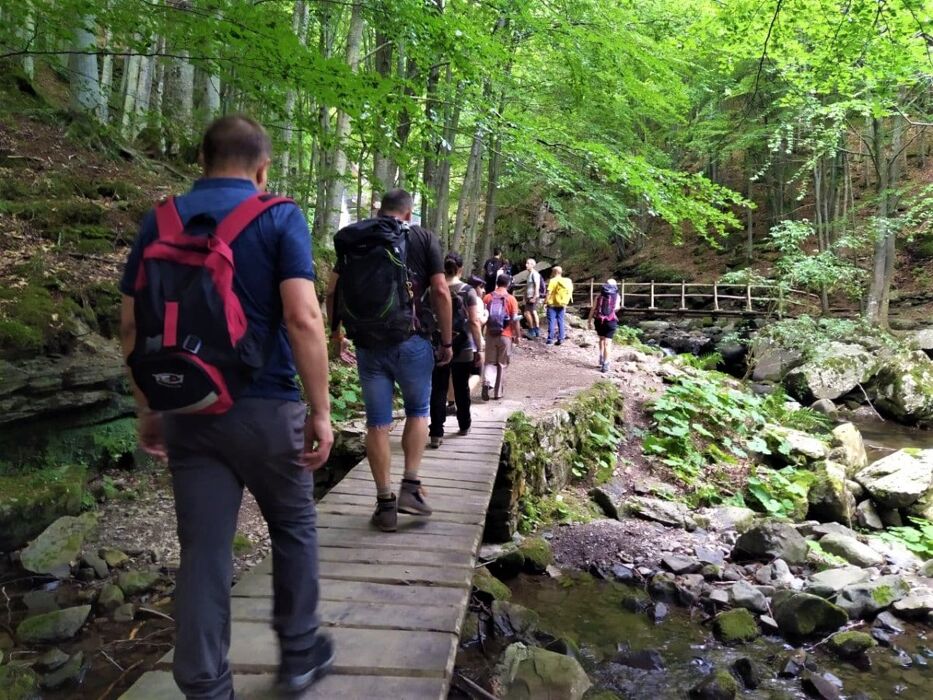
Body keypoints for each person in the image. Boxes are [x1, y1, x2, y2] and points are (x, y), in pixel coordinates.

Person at [118, 115, 335, 698]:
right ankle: (298, 653)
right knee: (292, 524)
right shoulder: (279, 216)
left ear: (202, 160)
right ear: (262, 168)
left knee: (205, 552)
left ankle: (206, 684)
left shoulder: (160, 219)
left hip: (188, 407)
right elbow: (303, 317)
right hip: (266, 407)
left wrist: (149, 407)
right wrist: (321, 409)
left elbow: (132, 325)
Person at [326, 189, 453, 533]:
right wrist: (446, 340)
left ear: (381, 210)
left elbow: (332, 289)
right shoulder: (423, 237)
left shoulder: (358, 237)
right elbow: (441, 290)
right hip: (412, 340)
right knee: (417, 412)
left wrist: (336, 332)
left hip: (367, 344)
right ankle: (410, 485)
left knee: (377, 423)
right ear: (408, 213)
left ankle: (385, 505)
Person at [429, 252, 483, 447]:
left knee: (438, 389)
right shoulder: (468, 291)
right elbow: (475, 321)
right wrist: (480, 349)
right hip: (463, 345)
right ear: (460, 269)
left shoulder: (432, 289)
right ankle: (464, 424)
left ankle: (436, 432)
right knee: (461, 388)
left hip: (438, 345)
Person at [482, 272, 521, 401]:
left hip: (490, 335)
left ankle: (487, 383)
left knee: (489, 362)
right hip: (506, 335)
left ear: (497, 283)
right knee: (502, 364)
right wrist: (517, 335)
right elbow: (515, 319)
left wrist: (482, 333)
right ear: (508, 284)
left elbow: (483, 317)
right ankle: (498, 393)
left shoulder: (487, 298)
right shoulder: (511, 299)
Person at [588, 278, 622, 373]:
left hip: (599, 321)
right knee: (608, 342)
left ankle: (601, 357)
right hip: (610, 321)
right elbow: (616, 308)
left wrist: (589, 321)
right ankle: (606, 364)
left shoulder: (598, 296)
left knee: (601, 339)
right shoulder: (617, 296)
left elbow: (593, 309)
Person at [545, 266, 574, 345]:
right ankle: (561, 338)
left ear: (555, 272)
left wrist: (545, 301)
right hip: (562, 304)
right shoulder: (566, 281)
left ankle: (550, 339)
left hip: (552, 304)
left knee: (552, 321)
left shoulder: (553, 281)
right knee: (561, 321)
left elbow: (549, 292)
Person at [523, 258, 543, 339]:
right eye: (526, 263)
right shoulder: (530, 274)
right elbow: (527, 286)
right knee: (533, 312)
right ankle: (536, 330)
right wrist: (524, 297)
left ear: (532, 265)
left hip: (532, 296)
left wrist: (534, 296)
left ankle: (532, 330)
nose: (526, 265)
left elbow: (537, 285)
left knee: (527, 313)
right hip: (529, 296)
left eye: (528, 263)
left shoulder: (535, 274)